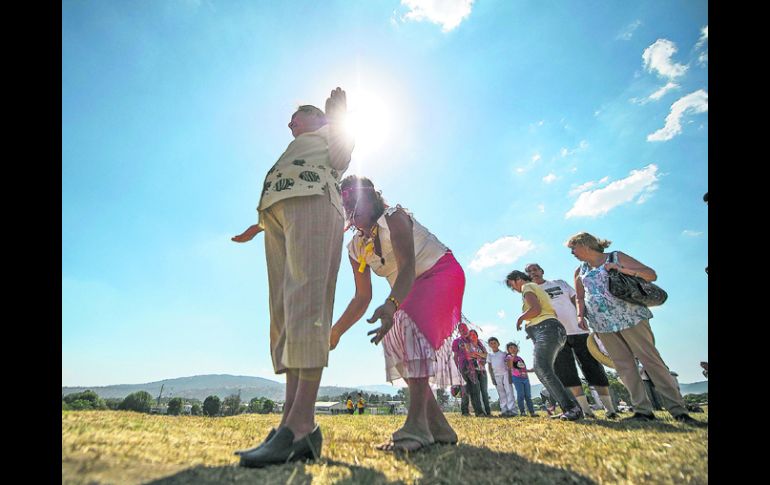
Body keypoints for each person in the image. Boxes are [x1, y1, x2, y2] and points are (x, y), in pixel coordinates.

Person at [233, 88, 355, 467]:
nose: (290, 122)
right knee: (284, 311)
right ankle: (288, 419)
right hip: (277, 219)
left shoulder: (329, 132)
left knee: (307, 302)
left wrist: (339, 115)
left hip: (315, 203)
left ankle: (302, 424)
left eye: (297, 116)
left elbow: (342, 157)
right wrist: (259, 225)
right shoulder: (298, 146)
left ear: (317, 118)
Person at [329, 175, 465, 451]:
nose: (351, 209)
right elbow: (362, 297)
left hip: (440, 273)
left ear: (371, 198)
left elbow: (407, 267)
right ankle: (439, 427)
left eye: (355, 199)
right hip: (408, 291)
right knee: (397, 344)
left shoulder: (394, 217)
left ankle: (417, 427)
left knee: (405, 324)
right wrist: (335, 332)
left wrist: (391, 305)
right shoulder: (355, 248)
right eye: (346, 203)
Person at [567, 231, 706, 426]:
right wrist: (581, 315)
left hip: (631, 317)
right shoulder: (579, 270)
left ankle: (678, 410)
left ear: (586, 244)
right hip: (603, 323)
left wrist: (621, 269)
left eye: (573, 247)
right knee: (624, 366)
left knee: (651, 361)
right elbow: (580, 297)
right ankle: (642, 410)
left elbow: (651, 274)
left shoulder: (616, 256)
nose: (572, 252)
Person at [524, 263, 618, 419]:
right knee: (568, 374)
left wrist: (585, 317)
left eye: (535, 269)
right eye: (529, 271)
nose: (533, 272)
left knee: (594, 369)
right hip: (556, 336)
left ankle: (610, 409)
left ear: (542, 271)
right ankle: (586, 411)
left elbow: (576, 300)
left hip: (580, 330)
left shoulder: (559, 283)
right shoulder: (530, 293)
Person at [505, 270, 583, 420]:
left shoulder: (527, 287)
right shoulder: (537, 288)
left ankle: (571, 407)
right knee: (547, 370)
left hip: (547, 330)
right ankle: (571, 407)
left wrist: (521, 318)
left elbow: (536, 309)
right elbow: (546, 311)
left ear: (517, 279)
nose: (513, 289)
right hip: (553, 330)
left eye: (512, 285)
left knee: (541, 368)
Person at [452, 322, 486, 417]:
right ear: (459, 331)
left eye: (465, 328)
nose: (463, 330)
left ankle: (479, 412)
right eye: (461, 329)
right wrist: (457, 369)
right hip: (463, 367)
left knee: (476, 388)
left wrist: (482, 362)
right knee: (464, 389)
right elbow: (455, 356)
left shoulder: (472, 338)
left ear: (467, 328)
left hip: (474, 367)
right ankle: (465, 411)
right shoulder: (456, 341)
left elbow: (481, 351)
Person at [487, 337, 518, 416]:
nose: (493, 345)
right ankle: (504, 410)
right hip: (496, 376)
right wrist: (492, 378)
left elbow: (509, 365)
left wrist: (510, 376)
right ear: (489, 345)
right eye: (491, 343)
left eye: (495, 343)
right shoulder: (490, 355)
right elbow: (490, 367)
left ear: (498, 344)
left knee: (509, 391)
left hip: (506, 374)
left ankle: (512, 410)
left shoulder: (504, 354)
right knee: (501, 393)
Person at [506, 342, 536, 416]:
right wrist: (512, 358)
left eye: (514, 347)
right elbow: (509, 367)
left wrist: (530, 370)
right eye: (511, 348)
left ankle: (532, 412)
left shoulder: (520, 358)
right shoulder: (509, 357)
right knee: (521, 395)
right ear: (508, 350)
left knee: (528, 396)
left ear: (517, 349)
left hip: (525, 379)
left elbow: (522, 368)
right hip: (517, 378)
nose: (513, 349)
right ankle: (522, 412)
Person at [467, 330, 492, 416]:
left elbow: (486, 355)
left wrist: (476, 354)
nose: (472, 336)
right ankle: (479, 411)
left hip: (482, 370)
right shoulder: (468, 345)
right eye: (470, 335)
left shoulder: (481, 346)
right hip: (473, 370)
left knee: (484, 391)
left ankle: (488, 411)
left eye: (474, 334)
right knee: (476, 391)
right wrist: (480, 355)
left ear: (477, 336)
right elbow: (469, 355)